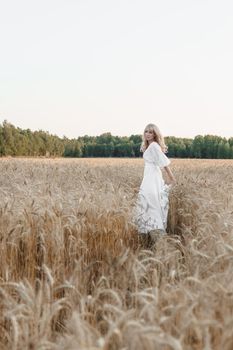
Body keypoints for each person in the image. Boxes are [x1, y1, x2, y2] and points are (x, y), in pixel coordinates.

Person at [133, 123, 176, 245]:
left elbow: (164, 163)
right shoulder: (150, 146)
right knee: (148, 205)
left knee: (151, 206)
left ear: (155, 134)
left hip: (152, 180)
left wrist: (172, 178)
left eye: (150, 132)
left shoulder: (153, 146)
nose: (147, 134)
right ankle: (152, 240)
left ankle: (160, 240)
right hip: (149, 178)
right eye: (146, 131)